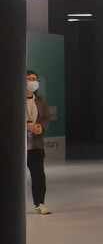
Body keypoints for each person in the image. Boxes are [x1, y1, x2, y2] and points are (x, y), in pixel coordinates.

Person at [26, 70, 50, 215]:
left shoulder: (40, 101)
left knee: (39, 176)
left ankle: (40, 203)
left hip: (36, 145)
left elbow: (46, 117)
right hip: (19, 146)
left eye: (34, 79)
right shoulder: (14, 99)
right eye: (29, 78)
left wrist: (41, 126)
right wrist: (27, 126)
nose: (32, 81)